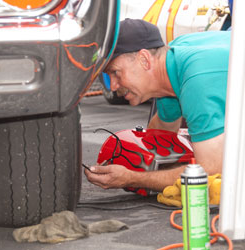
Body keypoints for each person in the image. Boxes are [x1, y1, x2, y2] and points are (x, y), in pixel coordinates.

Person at [85, 18, 230, 192]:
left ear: (144, 59)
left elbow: (209, 170)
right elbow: (160, 134)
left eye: (115, 73)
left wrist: (132, 178)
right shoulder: (172, 61)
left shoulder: (196, 82)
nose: (114, 87)